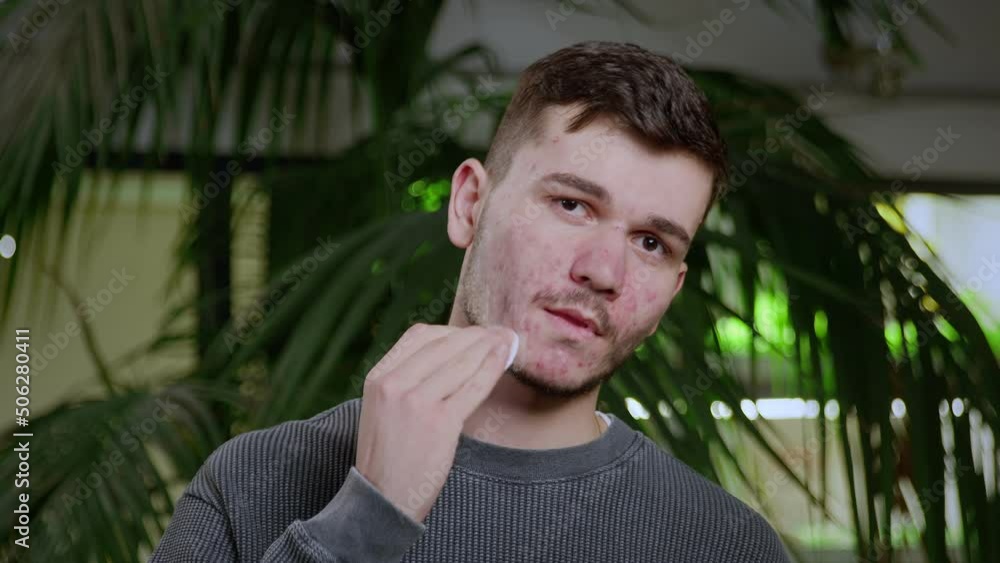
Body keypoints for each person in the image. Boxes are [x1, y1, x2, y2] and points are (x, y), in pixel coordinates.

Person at [151, 40, 792, 562]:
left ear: (671, 291)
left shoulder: (728, 547)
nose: (603, 271)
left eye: (652, 243)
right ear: (469, 205)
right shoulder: (253, 483)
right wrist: (364, 521)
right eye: (572, 205)